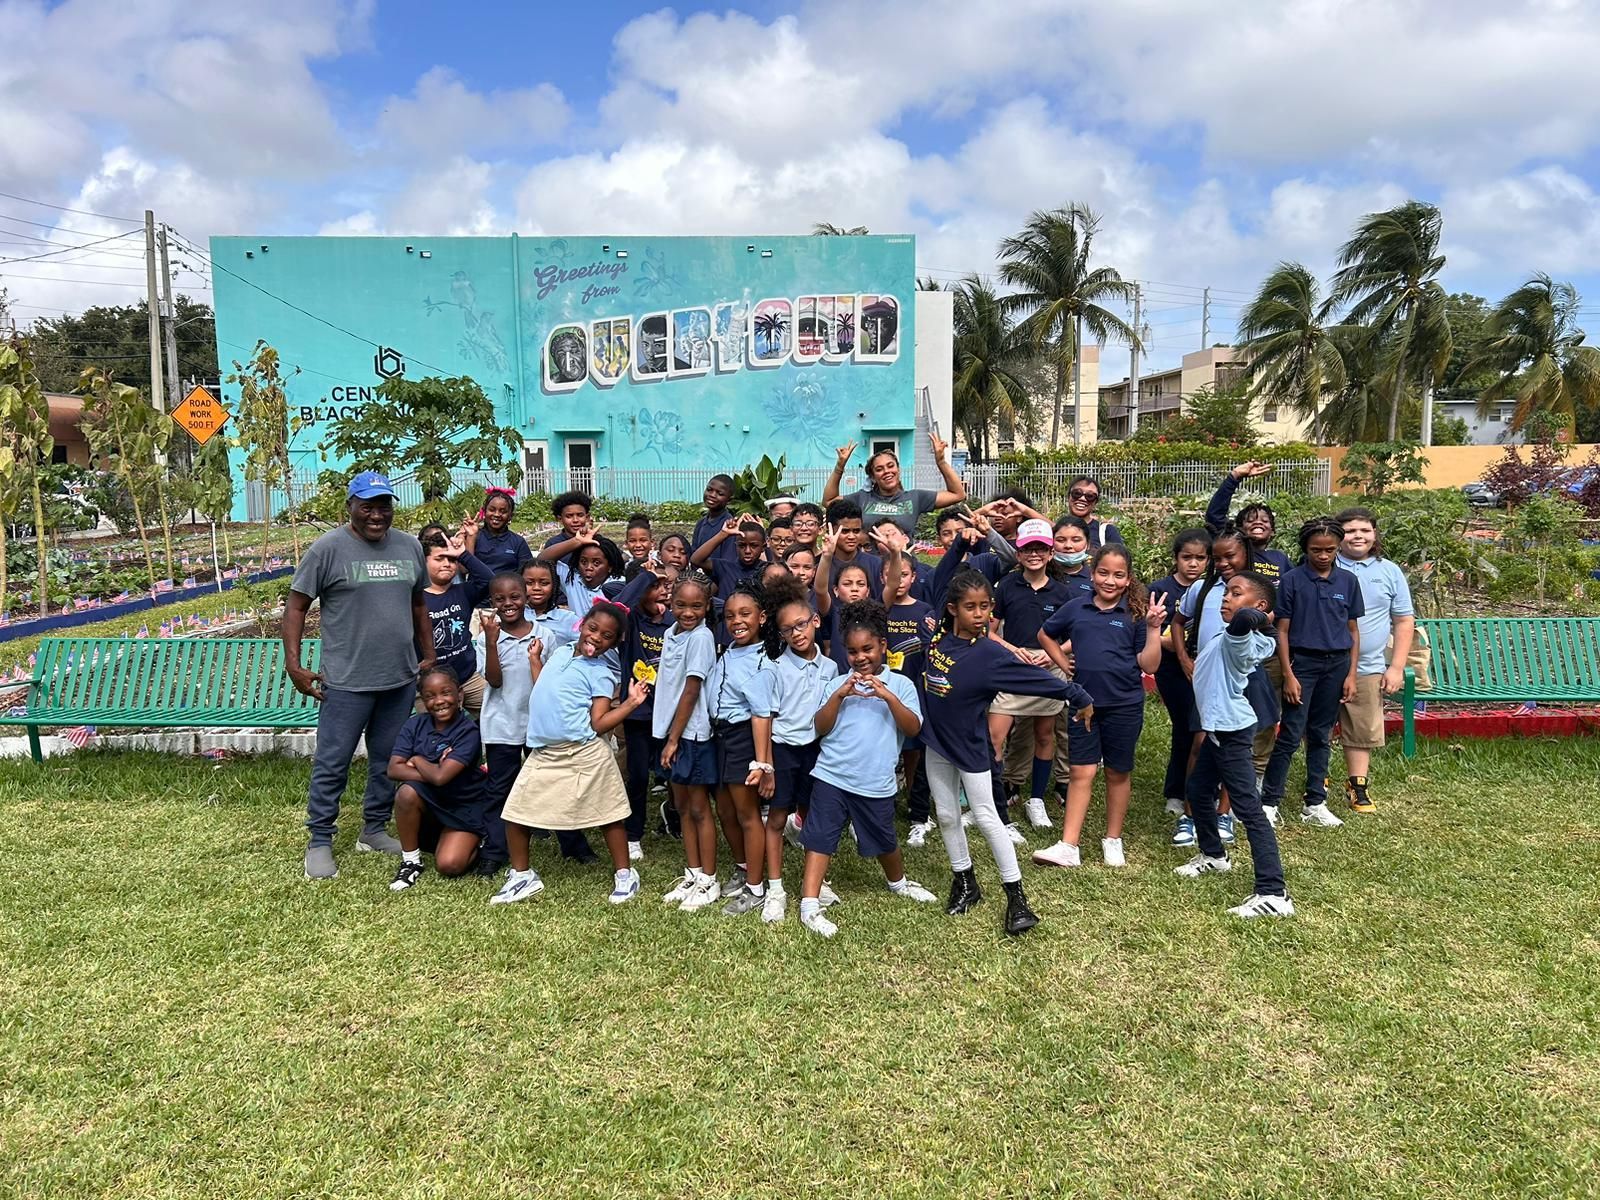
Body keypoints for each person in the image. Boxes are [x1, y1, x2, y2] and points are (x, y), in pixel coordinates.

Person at [923, 567, 1092, 935]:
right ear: (952, 609)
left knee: (987, 818)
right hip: (936, 742)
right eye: (971, 607)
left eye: (986, 607)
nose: (980, 614)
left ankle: (1016, 897)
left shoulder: (990, 655)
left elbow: (1039, 680)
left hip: (970, 748)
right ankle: (965, 881)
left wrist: (1079, 696)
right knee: (948, 816)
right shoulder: (938, 635)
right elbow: (939, 582)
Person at [286, 471, 433, 881]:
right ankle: (319, 841)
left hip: (399, 678)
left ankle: (372, 829)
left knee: (388, 760)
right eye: (367, 506)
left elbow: (419, 604)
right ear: (349, 507)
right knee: (333, 761)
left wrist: (429, 654)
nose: (376, 515)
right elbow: (295, 608)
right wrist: (294, 664)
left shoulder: (408, 547)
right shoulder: (327, 549)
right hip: (347, 680)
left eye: (383, 506)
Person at [491, 603, 651, 906]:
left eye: (607, 636)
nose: (596, 638)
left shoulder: (602, 674)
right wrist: (535, 660)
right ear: (581, 625)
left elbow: (599, 723)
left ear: (614, 643)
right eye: (593, 629)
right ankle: (523, 876)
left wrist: (630, 704)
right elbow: (544, 687)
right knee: (516, 815)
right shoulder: (562, 652)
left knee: (610, 817)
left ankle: (625, 875)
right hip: (545, 754)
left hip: (584, 753)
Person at [798, 600, 937, 938]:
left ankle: (898, 883)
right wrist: (839, 696)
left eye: (868, 649)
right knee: (820, 839)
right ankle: (809, 904)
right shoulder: (837, 684)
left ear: (883, 647)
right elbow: (820, 726)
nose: (860, 658)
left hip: (874, 782)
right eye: (853, 651)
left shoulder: (901, 685)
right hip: (832, 775)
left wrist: (888, 697)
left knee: (884, 840)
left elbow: (914, 728)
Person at [1033, 544, 1166, 868]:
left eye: (1118, 575)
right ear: (1093, 574)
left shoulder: (1135, 615)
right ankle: (1069, 845)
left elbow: (1150, 664)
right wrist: (1063, 663)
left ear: (1128, 579)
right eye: (1103, 573)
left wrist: (1152, 628)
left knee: (1118, 772)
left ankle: (1113, 839)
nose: (1110, 580)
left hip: (1124, 704)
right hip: (1084, 704)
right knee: (1081, 770)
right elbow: (1045, 635)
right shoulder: (1076, 608)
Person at [1173, 571, 1295, 918]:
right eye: (1225, 592)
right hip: (1217, 730)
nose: (1225, 598)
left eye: (1234, 593)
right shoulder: (1238, 635)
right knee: (1197, 790)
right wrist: (1264, 620)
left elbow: (1245, 620)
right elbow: (1248, 622)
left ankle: (1274, 893)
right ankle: (1214, 855)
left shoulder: (1242, 638)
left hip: (1231, 733)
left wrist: (1261, 616)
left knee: (1248, 809)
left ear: (1258, 606)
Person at [1260, 517, 1365, 829]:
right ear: (1305, 548)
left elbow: (1353, 630)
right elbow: (1282, 629)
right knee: (1291, 733)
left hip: (1337, 665)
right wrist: (1289, 675)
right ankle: (1269, 801)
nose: (1323, 555)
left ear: (1337, 548)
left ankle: (1315, 802)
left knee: (1321, 734)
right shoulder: (1292, 580)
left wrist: (1351, 674)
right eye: (1316, 550)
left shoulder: (1347, 582)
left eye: (1330, 550)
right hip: (1303, 665)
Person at [988, 518, 1077, 833]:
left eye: (1041, 548)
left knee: (1044, 735)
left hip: (1048, 672)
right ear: (1019, 552)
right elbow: (990, 630)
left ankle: (1036, 799)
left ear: (1051, 553)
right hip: (1012, 671)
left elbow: (1073, 636)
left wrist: (1054, 652)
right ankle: (992, 802)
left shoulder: (1063, 592)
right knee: (996, 736)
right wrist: (1012, 649)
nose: (1035, 554)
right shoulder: (1007, 586)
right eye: (1028, 549)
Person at [761, 577, 838, 923]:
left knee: (812, 817)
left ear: (815, 621)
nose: (797, 633)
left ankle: (815, 881)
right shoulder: (775, 669)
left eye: (802, 624)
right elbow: (767, 719)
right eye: (788, 630)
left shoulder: (831, 668)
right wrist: (765, 765)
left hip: (816, 752)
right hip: (783, 752)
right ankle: (775, 888)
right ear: (781, 635)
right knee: (777, 818)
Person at [1335, 507, 1415, 814]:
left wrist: (1395, 667)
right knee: (1316, 725)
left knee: (1362, 728)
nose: (1358, 536)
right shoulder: (1326, 563)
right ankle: (1318, 781)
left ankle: (1358, 786)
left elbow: (1403, 620)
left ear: (1374, 534)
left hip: (1368, 666)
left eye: (1365, 530)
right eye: (1351, 530)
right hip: (1325, 663)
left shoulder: (1389, 571)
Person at [705, 582, 779, 916]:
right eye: (730, 615)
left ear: (762, 618)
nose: (737, 620)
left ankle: (756, 888)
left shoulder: (762, 664)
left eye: (745, 614)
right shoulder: (728, 652)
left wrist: (762, 765)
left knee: (748, 815)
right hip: (718, 738)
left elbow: (762, 717)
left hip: (742, 740)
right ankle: (742, 864)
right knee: (725, 810)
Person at [386, 668, 493, 890]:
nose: (439, 701)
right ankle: (411, 861)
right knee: (406, 792)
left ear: (460, 695)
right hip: (431, 802)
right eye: (430, 696)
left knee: (450, 865)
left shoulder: (468, 731)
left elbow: (442, 777)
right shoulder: (414, 725)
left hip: (464, 805)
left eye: (446, 693)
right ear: (423, 701)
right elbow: (394, 770)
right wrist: (435, 771)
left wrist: (416, 759)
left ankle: (477, 841)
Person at [656, 570, 722, 911]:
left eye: (696, 606)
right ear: (670, 603)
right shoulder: (672, 633)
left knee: (698, 809)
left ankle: (709, 880)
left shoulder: (701, 638)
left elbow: (692, 688)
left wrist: (674, 738)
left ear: (707, 607)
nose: (688, 612)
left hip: (690, 734)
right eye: (680, 605)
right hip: (671, 733)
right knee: (682, 808)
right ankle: (693, 873)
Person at [474, 571, 541, 878]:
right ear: (492, 602)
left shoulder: (543, 635)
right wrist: (491, 640)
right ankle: (494, 851)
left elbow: (545, 685)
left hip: (537, 725)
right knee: (499, 788)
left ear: (526, 596)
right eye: (500, 599)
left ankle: (571, 842)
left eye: (515, 596)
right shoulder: (485, 637)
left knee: (546, 784)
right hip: (501, 725)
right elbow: (494, 680)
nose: (508, 603)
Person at [1149, 529, 1213, 843]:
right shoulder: (1161, 589)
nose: (1193, 564)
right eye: (1187, 557)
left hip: (1208, 671)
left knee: (1205, 732)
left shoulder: (1214, 589)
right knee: (1184, 729)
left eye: (1200, 558)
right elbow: (1156, 633)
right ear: (1175, 558)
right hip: (1174, 671)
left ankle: (1203, 789)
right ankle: (1175, 793)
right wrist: (1183, 646)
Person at [610, 561, 677, 860]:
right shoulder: (631, 621)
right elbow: (615, 607)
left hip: (672, 713)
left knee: (676, 774)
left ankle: (675, 820)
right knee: (637, 777)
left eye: (665, 586)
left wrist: (655, 583)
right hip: (638, 714)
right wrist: (647, 575)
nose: (662, 592)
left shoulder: (675, 623)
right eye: (655, 587)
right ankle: (633, 834)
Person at [821, 431, 967, 537]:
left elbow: (957, 494)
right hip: (870, 567)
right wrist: (840, 466)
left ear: (898, 469)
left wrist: (941, 461)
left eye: (890, 466)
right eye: (879, 469)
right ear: (872, 477)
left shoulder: (915, 498)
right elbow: (829, 501)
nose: (886, 471)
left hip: (904, 568)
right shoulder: (862, 498)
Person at [419, 524, 493, 720]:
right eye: (439, 558)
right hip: (431, 683)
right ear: (423, 561)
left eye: (452, 559)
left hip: (468, 677)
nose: (447, 564)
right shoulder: (415, 599)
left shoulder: (463, 592)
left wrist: (463, 554)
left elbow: (490, 581)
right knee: (433, 733)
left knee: (494, 712)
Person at [1204, 462, 1292, 581]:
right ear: (1240, 529)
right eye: (1250, 520)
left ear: (1273, 531)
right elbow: (1215, 515)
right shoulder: (1235, 553)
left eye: (1264, 521)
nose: (1258, 523)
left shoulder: (1280, 558)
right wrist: (1234, 477)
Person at [536, 521, 626, 613]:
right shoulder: (572, 580)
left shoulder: (618, 585)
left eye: (596, 563)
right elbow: (542, 561)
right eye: (583, 562)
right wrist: (577, 541)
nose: (588, 567)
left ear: (610, 566)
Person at [690, 513, 769, 597]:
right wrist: (723, 534)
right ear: (736, 545)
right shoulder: (725, 567)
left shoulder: (767, 570)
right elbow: (695, 560)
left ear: (763, 547)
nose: (747, 551)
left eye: (754, 546)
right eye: (741, 545)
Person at [819, 499, 884, 595]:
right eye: (845, 531)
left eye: (856, 531)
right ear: (830, 530)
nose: (851, 537)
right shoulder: (820, 564)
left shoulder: (876, 564)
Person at [464, 487, 533, 575]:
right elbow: (464, 569)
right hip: (478, 588)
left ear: (510, 516)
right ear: (484, 512)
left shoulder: (518, 542)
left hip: (508, 587)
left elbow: (528, 572)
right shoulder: (474, 537)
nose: (497, 514)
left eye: (503, 511)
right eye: (492, 510)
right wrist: (471, 536)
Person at [690, 474, 739, 569]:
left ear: (729, 500)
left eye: (719, 494)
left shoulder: (730, 527)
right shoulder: (701, 523)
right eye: (709, 490)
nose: (712, 495)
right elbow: (694, 554)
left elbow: (727, 563)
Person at [1062, 476, 1123, 548]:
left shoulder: (1106, 532)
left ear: (1095, 502)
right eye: (1077, 493)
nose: (1082, 498)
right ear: (1068, 497)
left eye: (1090, 496)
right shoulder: (1057, 530)